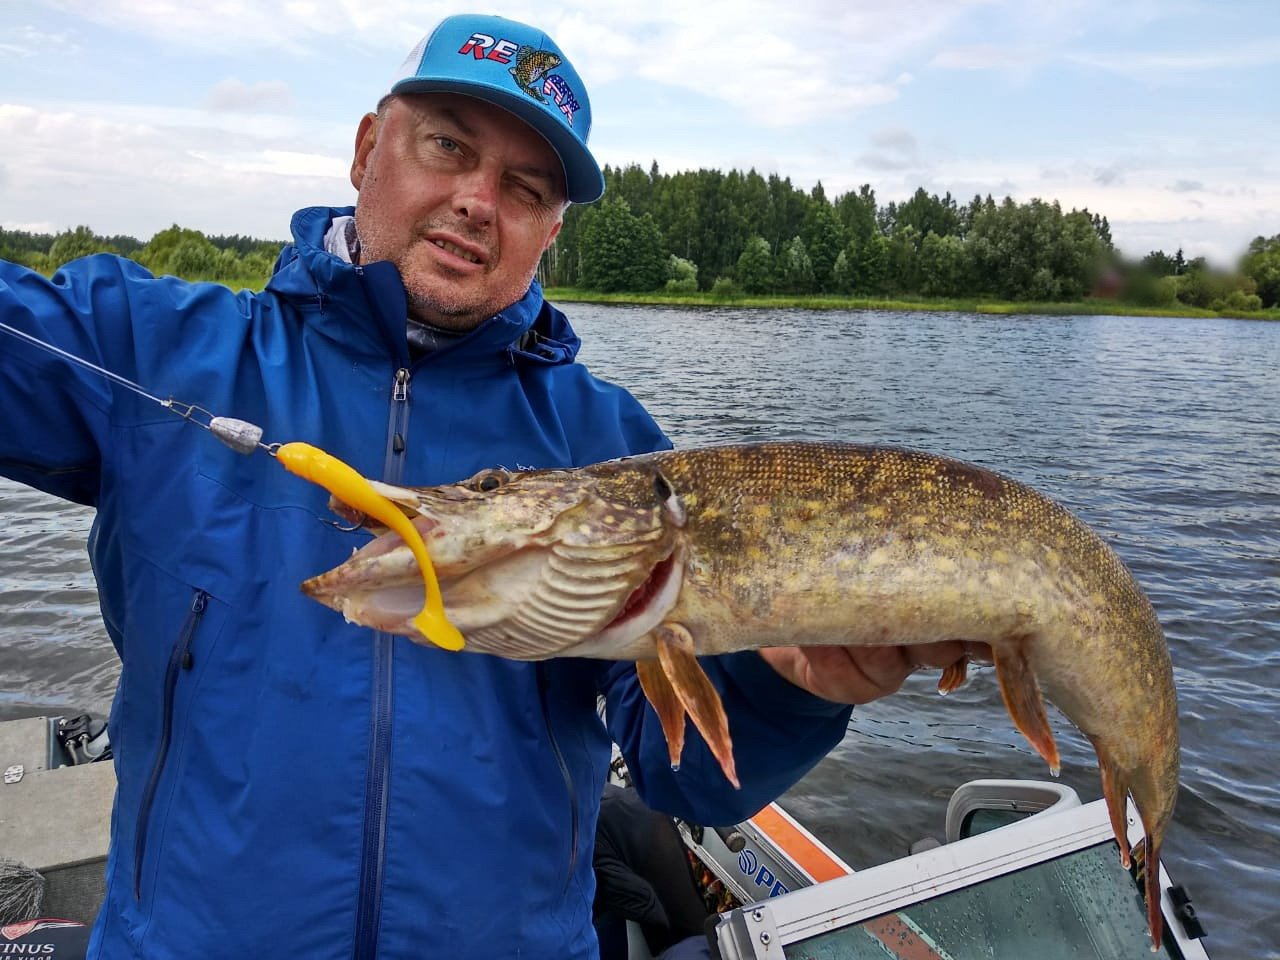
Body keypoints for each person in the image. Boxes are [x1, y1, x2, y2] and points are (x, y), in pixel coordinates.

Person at [0, 14, 973, 958]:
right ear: (366, 148)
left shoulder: (608, 445)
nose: (477, 198)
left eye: (522, 185)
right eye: (447, 146)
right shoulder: (150, 343)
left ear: (547, 230)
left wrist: (787, 688)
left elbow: (688, 773)